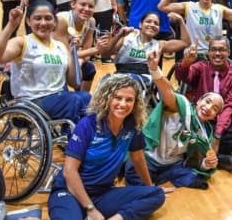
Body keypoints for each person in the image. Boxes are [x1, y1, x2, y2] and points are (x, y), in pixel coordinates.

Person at [47, 74, 166, 219]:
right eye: (118, 97)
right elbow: (69, 172)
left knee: (157, 194)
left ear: (135, 103)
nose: (123, 104)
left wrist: (149, 187)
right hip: (70, 192)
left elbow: (138, 158)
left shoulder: (132, 126)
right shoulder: (87, 124)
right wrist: (90, 209)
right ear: (107, 98)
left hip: (102, 193)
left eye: (129, 100)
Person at [130, 50, 224, 189]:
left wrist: (206, 164)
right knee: (137, 180)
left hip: (172, 165)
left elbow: (196, 161)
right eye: (207, 101)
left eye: (215, 109)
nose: (208, 108)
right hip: (150, 158)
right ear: (198, 101)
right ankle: (150, 186)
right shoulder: (182, 106)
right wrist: (155, 70)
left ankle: (157, 183)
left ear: (215, 116)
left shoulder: (205, 133)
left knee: (191, 175)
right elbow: (167, 92)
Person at [0, 0, 90, 126]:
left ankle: (77, 137)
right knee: (76, 100)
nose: (43, 23)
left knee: (86, 98)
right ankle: (74, 138)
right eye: (37, 18)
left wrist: (73, 52)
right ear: (28, 21)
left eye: (48, 18)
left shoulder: (60, 46)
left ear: (54, 22)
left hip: (57, 98)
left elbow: (74, 82)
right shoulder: (22, 42)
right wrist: (11, 25)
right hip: (31, 102)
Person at [174, 36, 232, 171]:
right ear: (208, 52)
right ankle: (219, 157)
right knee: (179, 130)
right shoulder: (201, 66)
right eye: (213, 50)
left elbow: (229, 108)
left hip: (224, 123)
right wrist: (186, 63)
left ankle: (200, 155)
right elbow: (182, 76)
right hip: (200, 120)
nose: (217, 54)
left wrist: (217, 135)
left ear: (228, 52)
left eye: (222, 50)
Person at [102, 12, 190, 81]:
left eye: (156, 23)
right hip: (121, 75)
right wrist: (119, 35)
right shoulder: (126, 38)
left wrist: (181, 20)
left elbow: (185, 42)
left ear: (159, 28)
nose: (152, 25)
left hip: (144, 80)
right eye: (148, 21)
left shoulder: (159, 45)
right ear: (140, 24)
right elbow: (105, 54)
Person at [54, 0, 105, 92]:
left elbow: (86, 55)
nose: (86, 9)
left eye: (91, 6)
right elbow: (63, 54)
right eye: (83, 4)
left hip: (72, 59)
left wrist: (80, 61)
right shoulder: (61, 19)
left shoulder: (91, 21)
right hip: (54, 61)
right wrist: (95, 50)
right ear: (73, 4)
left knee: (89, 68)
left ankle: (83, 99)